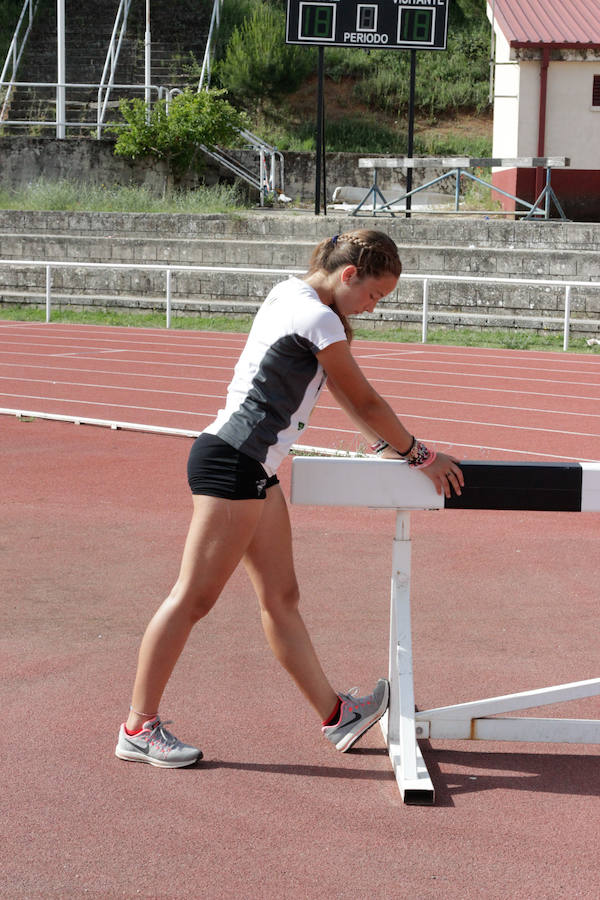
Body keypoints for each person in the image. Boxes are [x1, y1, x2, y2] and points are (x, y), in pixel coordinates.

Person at [115, 229, 464, 768]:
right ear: (349, 275)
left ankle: (336, 714)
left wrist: (383, 448)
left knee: (281, 598)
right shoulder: (317, 317)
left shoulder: (293, 295)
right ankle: (138, 727)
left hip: (253, 468)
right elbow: (366, 399)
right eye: (373, 296)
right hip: (231, 463)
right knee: (194, 598)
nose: (372, 308)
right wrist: (420, 456)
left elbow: (350, 398)